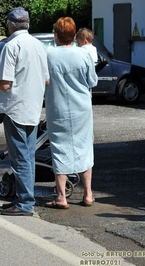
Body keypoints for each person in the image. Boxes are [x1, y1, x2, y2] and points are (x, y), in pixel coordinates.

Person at [0, 7, 49, 216]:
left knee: (20, 158)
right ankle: (24, 198)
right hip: (33, 107)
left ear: (10, 25)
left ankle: (25, 202)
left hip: (15, 108)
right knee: (28, 156)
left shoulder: (11, 46)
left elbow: (5, 84)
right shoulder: (39, 45)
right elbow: (46, 79)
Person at [44, 17, 98, 209]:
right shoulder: (83, 54)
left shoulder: (48, 54)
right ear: (74, 35)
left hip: (57, 107)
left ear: (56, 35)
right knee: (84, 147)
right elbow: (92, 81)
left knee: (59, 148)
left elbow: (44, 80)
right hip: (82, 108)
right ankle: (88, 194)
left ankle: (61, 197)